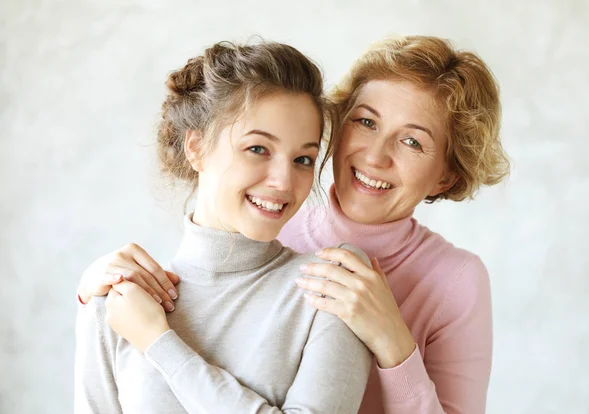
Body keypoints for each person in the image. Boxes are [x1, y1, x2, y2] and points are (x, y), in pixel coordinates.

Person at [78, 35, 510, 414]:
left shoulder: (451, 280)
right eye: (365, 122)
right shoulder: (266, 218)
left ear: (447, 176)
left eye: (413, 141)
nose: (376, 156)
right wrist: (96, 294)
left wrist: (394, 344)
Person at [74, 40, 373, 414]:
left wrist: (160, 343)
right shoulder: (115, 299)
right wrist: (99, 306)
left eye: (302, 159)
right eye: (258, 149)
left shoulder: (333, 284)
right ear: (196, 148)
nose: (284, 181)